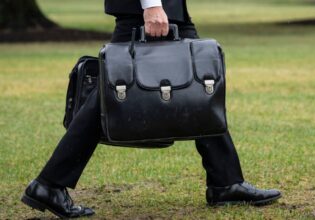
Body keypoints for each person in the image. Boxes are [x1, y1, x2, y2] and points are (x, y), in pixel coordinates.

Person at [21, 0, 281, 218]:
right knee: (114, 94)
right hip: (147, 8)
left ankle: (226, 181)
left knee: (197, 90)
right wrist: (152, 5)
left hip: (161, 7)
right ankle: (49, 184)